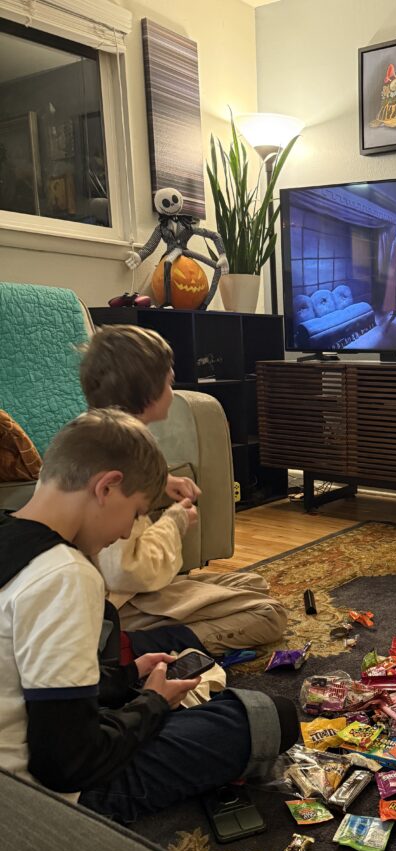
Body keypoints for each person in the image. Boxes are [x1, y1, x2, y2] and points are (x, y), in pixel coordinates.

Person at [0, 409, 298, 821]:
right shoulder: (65, 575)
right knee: (271, 717)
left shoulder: (10, 535)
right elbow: (66, 765)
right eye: (138, 512)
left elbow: (30, 678)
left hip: (31, 745)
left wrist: (125, 677)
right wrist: (154, 704)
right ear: (107, 487)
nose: (127, 531)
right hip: (39, 799)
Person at [79, 325, 288, 656]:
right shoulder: (121, 461)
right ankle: (136, 645)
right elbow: (125, 572)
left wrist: (161, 481)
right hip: (122, 602)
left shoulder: (95, 435)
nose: (173, 389)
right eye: (169, 382)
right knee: (269, 615)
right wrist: (175, 522)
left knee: (254, 584)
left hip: (129, 593)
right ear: (149, 391)